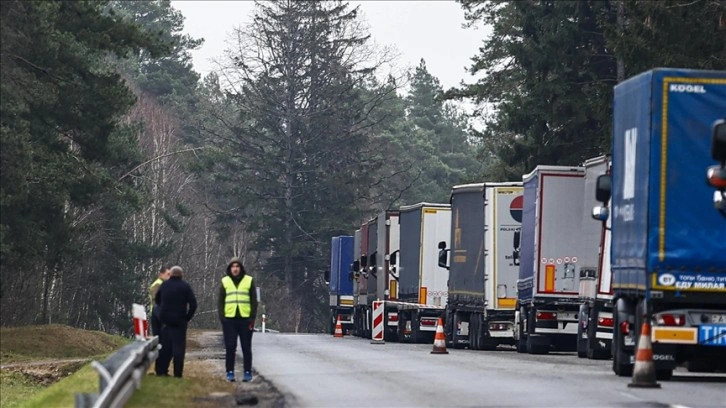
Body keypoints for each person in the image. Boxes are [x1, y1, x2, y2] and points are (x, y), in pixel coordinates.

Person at [219, 257, 258, 382]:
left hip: (245, 319)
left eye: (237, 266)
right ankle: (230, 372)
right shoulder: (225, 281)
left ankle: (247, 371)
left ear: (241, 268)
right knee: (230, 347)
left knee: (246, 347)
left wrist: (252, 317)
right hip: (229, 319)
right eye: (233, 266)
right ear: (230, 268)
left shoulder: (249, 280)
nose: (235, 269)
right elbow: (221, 301)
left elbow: (253, 300)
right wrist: (222, 317)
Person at [155, 265, 197, 378]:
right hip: (179, 322)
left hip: (166, 322)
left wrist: (162, 313)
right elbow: (193, 304)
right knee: (178, 349)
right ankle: (178, 373)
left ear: (171, 274)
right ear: (181, 275)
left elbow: (157, 300)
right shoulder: (185, 286)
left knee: (165, 348)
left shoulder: (164, 285)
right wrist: (187, 317)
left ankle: (161, 371)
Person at [149, 265, 171, 337]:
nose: (169, 277)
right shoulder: (158, 284)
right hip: (158, 313)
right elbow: (156, 300)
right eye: (168, 274)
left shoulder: (164, 284)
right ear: (161, 274)